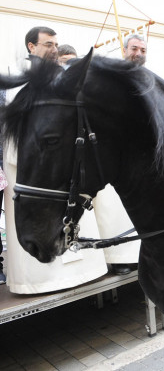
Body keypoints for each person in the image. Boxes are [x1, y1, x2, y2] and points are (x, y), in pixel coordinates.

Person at [3, 27, 108, 293]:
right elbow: (18, 128)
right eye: (48, 44)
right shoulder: (21, 78)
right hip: (36, 164)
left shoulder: (61, 75)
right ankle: (40, 281)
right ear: (31, 47)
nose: (54, 49)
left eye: (56, 44)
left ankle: (85, 271)